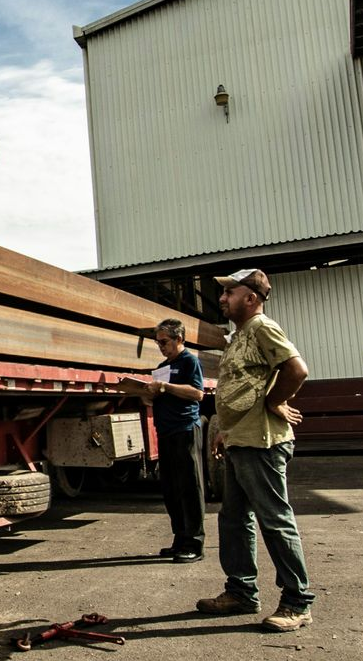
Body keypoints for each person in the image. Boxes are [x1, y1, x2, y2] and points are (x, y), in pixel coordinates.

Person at [192, 268, 317, 632]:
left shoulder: (263, 328)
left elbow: (297, 370)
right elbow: (243, 387)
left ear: (251, 298)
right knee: (233, 519)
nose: (222, 298)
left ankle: (297, 602)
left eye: (230, 292)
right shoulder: (240, 336)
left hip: (262, 443)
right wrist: (225, 431)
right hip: (239, 440)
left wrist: (276, 401)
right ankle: (241, 592)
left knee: (274, 520)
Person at [114, 318, 227, 561]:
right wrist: (145, 393)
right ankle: (180, 538)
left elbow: (197, 393)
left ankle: (195, 544)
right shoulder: (163, 365)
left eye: (164, 342)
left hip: (185, 429)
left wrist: (165, 387)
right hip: (165, 430)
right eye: (158, 343)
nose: (161, 347)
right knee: (171, 488)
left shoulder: (190, 362)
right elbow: (158, 396)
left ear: (179, 339)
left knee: (190, 486)